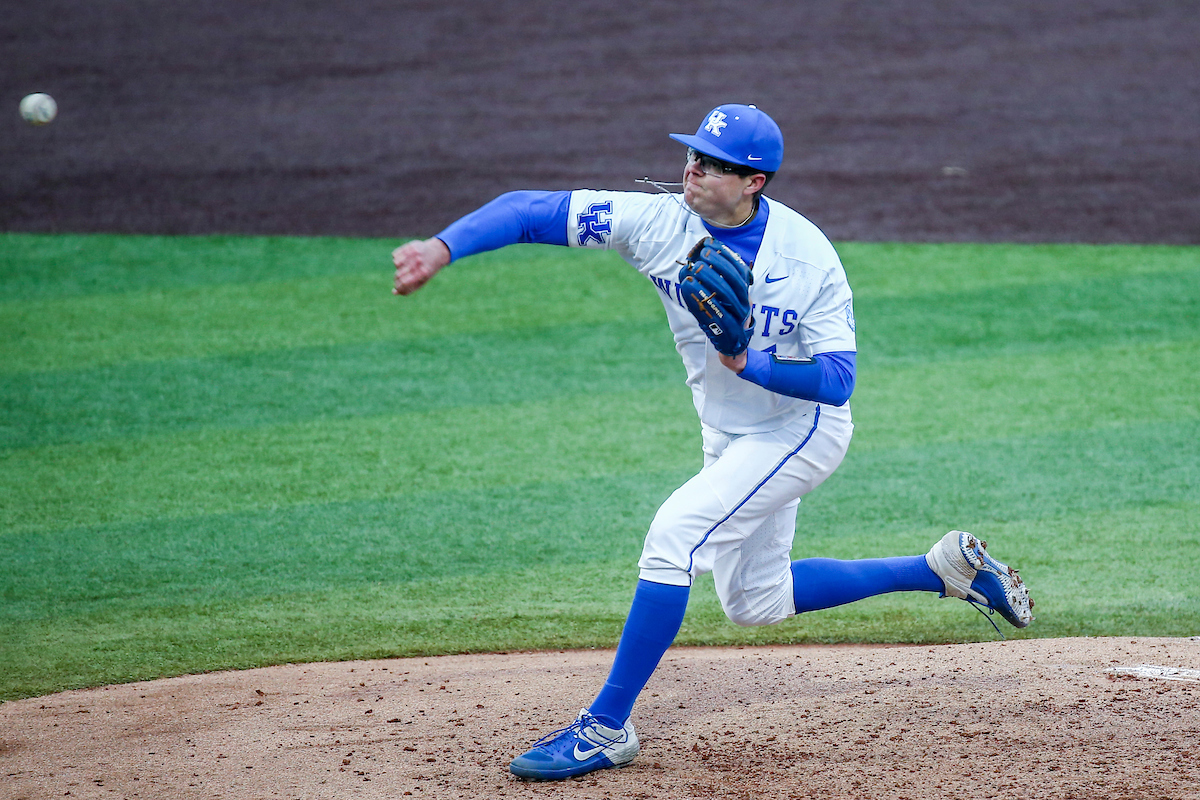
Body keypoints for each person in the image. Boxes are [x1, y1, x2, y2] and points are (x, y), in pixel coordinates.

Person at [391, 103, 1034, 782]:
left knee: (674, 536)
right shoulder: (658, 222)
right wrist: (443, 247)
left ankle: (605, 726)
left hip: (799, 430)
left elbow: (840, 380)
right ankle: (940, 570)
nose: (691, 169)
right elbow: (530, 209)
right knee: (755, 602)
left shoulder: (806, 257)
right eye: (691, 154)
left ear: (754, 181)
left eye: (711, 163)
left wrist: (745, 364)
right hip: (726, 432)